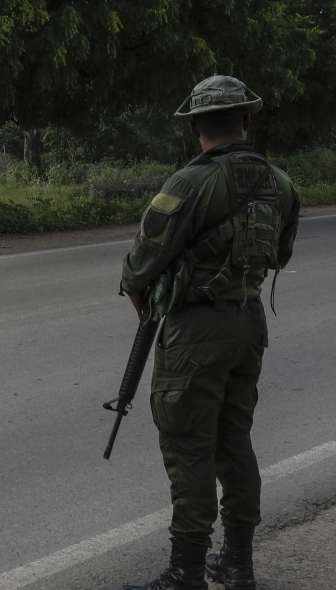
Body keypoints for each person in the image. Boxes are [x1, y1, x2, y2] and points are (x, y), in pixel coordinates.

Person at [117, 76, 300, 590]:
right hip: (248, 323)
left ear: (195, 126)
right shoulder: (282, 184)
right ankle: (238, 563)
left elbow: (138, 271)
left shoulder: (189, 184)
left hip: (196, 328)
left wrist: (162, 309)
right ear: (246, 120)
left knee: (189, 446)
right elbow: (279, 256)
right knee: (234, 440)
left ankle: (186, 572)